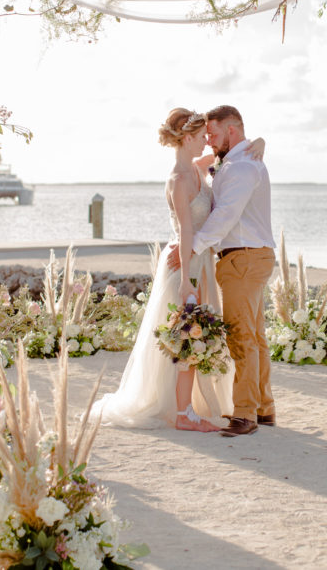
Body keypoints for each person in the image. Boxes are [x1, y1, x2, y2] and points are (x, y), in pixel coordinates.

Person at [93, 108, 263, 432]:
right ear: (186, 138)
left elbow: (221, 152)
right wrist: (186, 280)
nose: (206, 143)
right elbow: (185, 231)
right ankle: (184, 414)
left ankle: (189, 408)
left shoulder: (197, 169)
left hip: (200, 262)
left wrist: (260, 143)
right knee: (190, 334)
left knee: (199, 335)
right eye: (200, 137)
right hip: (185, 265)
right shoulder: (179, 179)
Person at [168, 105, 276, 438]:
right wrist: (259, 140)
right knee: (255, 336)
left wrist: (194, 246)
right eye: (204, 135)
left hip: (244, 257)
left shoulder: (242, 167)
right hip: (249, 256)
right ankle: (263, 407)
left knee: (242, 337)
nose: (209, 141)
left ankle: (245, 414)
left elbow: (226, 213)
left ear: (231, 131)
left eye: (212, 134)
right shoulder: (233, 162)